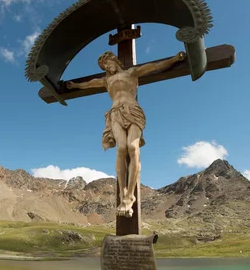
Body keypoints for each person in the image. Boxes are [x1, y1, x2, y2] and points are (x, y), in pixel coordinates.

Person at [67, 50, 186, 217]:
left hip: (133, 110)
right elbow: (88, 84)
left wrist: (174, 59)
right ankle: (123, 193)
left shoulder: (132, 72)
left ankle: (130, 195)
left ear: (115, 61)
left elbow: (154, 67)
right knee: (121, 148)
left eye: (108, 63)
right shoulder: (106, 80)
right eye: (104, 66)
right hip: (115, 113)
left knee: (132, 146)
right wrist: (75, 86)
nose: (107, 67)